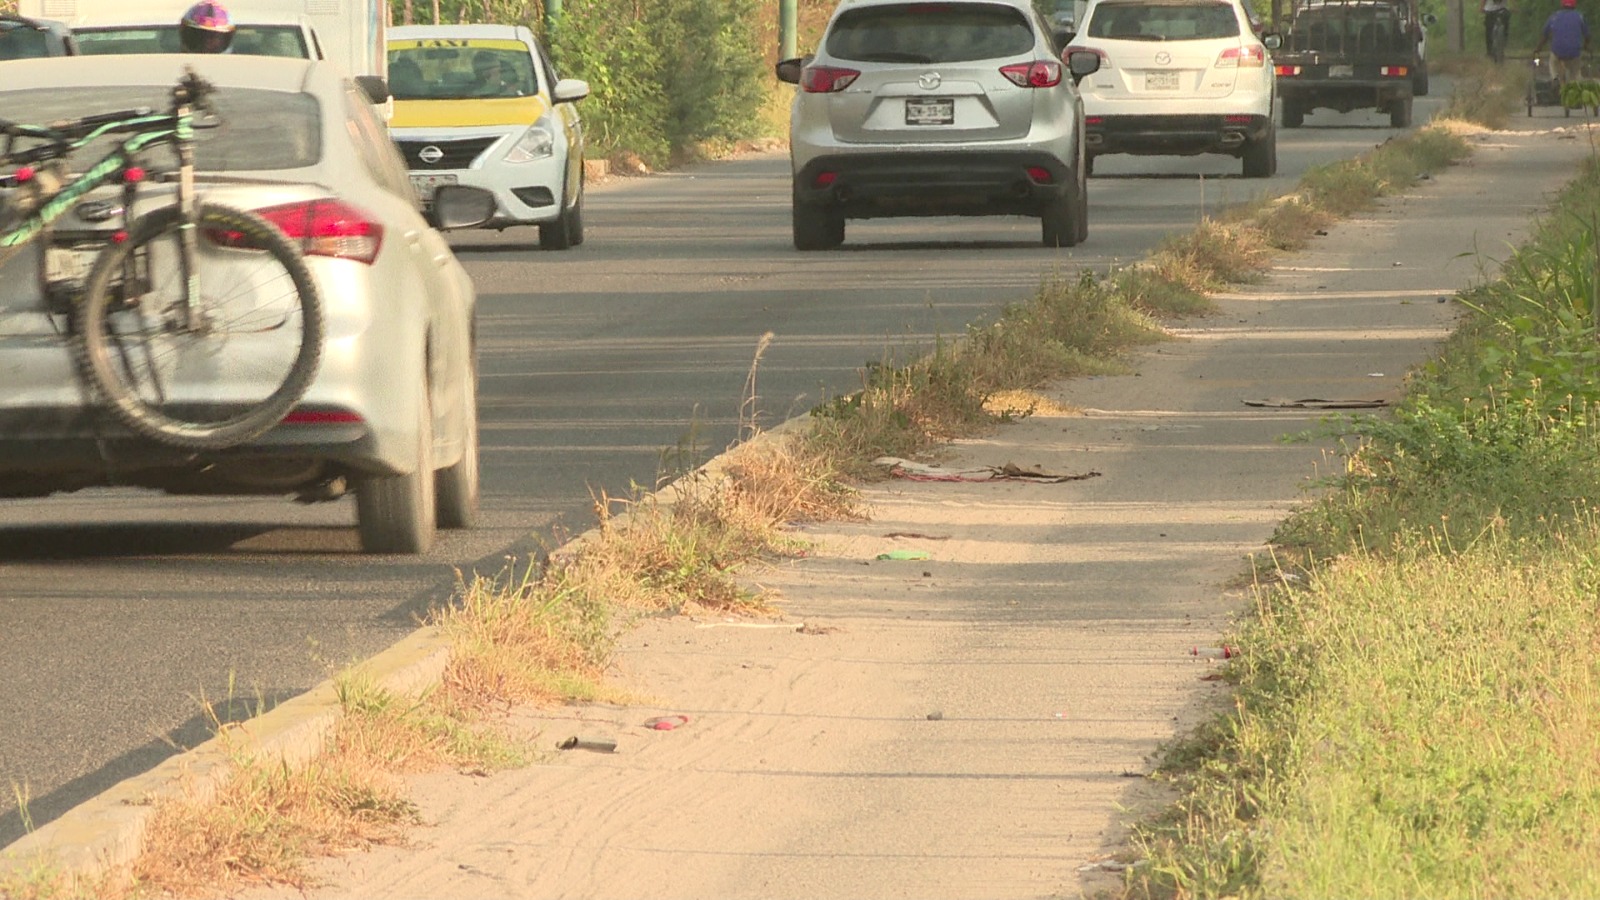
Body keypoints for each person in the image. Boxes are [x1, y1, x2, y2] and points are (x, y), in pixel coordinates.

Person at [1534, 0, 1592, 89]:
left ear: (1562, 4)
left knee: (1553, 62)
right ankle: (1575, 84)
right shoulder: (1580, 16)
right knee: (1575, 71)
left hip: (1558, 51)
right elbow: (1587, 35)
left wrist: (1538, 49)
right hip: (1574, 52)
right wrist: (1586, 46)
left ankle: (1555, 77)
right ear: (1574, 5)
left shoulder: (1554, 16)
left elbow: (1544, 36)